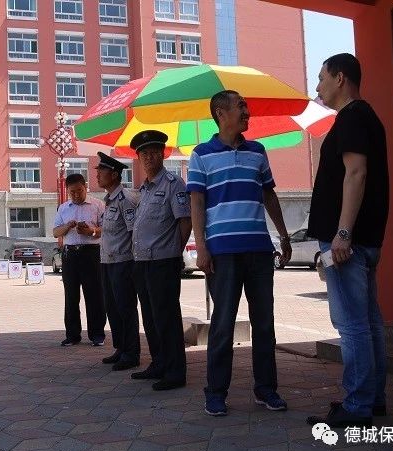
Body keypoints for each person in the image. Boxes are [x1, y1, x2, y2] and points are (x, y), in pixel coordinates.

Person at [187, 90, 292, 417]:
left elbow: (269, 196)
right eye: (241, 106)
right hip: (222, 253)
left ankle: (266, 389)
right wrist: (201, 247)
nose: (247, 112)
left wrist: (284, 236)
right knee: (222, 324)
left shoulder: (257, 151)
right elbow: (196, 202)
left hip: (259, 250)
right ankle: (216, 392)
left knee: (264, 323)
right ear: (221, 113)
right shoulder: (201, 154)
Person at [306, 53, 389, 428]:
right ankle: (373, 399)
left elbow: (356, 173)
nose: (318, 85)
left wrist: (342, 233)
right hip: (362, 240)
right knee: (369, 323)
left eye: (321, 77)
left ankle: (358, 405)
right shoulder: (366, 117)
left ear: (340, 78)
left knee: (353, 325)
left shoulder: (353, 117)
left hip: (348, 243)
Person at [130, 130, 192, 391]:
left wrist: (174, 252)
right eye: (144, 154)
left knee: (167, 318)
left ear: (163, 154)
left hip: (163, 261)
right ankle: (159, 363)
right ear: (139, 158)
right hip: (142, 262)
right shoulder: (144, 189)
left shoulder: (173, 184)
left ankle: (175, 371)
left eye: (154, 152)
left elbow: (185, 222)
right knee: (150, 317)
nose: (149, 157)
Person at [95, 152, 141, 371]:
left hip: (123, 262)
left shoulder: (126, 200)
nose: (97, 175)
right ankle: (121, 348)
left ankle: (131, 353)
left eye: (101, 171)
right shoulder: (109, 200)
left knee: (125, 308)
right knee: (112, 308)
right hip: (108, 261)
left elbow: (134, 233)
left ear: (114, 174)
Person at [53, 173, 107, 347]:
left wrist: (91, 231)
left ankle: (97, 334)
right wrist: (67, 226)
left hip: (92, 253)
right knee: (71, 296)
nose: (76, 195)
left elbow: (107, 229)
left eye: (79, 190)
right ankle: (72, 335)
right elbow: (55, 232)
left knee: (95, 295)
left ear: (85, 187)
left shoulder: (98, 205)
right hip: (70, 255)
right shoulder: (63, 208)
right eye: (72, 192)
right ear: (68, 191)